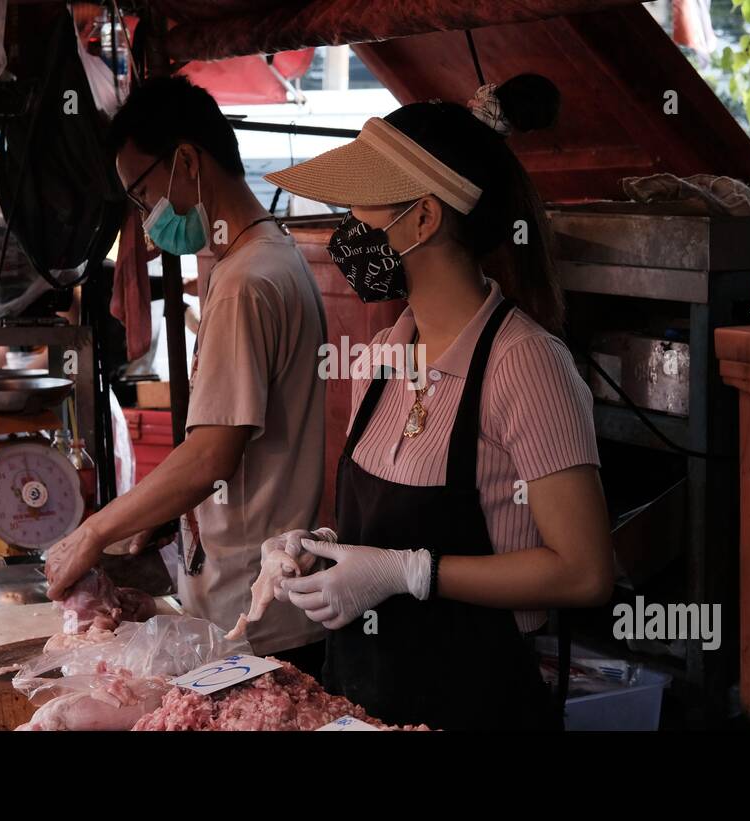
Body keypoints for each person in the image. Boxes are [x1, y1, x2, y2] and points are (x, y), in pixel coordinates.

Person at [260, 75, 615, 730]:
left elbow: (586, 571)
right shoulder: (387, 354)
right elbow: (387, 539)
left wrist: (412, 572)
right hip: (367, 709)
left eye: (362, 211)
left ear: (423, 217)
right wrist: (323, 552)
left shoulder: (526, 364)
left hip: (478, 707)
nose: (347, 232)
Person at [44, 77, 330, 675]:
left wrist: (94, 533)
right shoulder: (262, 260)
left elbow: (211, 456)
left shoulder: (247, 282)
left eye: (143, 195)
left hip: (257, 620)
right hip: (257, 601)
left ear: (186, 162)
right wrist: (164, 521)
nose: (146, 218)